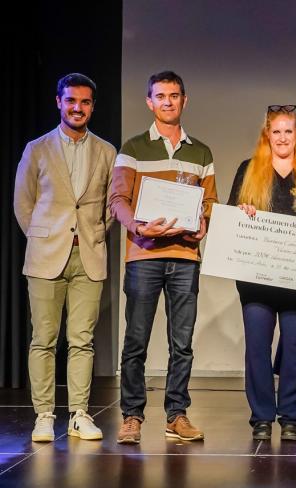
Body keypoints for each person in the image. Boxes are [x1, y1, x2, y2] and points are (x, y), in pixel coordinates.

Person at [109, 71, 217, 444]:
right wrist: (139, 228)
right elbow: (117, 201)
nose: (168, 102)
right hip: (144, 255)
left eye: (174, 95)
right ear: (149, 102)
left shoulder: (201, 151)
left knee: (181, 342)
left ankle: (177, 414)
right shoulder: (134, 148)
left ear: (184, 101)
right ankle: (132, 416)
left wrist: (202, 224)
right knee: (136, 339)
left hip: (186, 257)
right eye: (160, 96)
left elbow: (210, 204)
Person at [228, 104, 296, 441]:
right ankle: (261, 417)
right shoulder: (249, 170)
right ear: (268, 135)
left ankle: (291, 416)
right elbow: (233, 216)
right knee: (258, 347)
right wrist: (242, 210)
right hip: (256, 279)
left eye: (288, 131)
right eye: (276, 131)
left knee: (295, 348)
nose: (282, 137)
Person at [14, 73, 116, 442]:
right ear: (58, 102)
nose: (78, 107)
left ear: (92, 106)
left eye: (85, 102)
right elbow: (23, 203)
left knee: (82, 339)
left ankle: (78, 414)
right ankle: (43, 415)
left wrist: (91, 236)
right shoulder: (37, 148)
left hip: (88, 255)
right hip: (45, 256)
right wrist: (44, 238)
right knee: (43, 338)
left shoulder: (106, 151)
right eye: (71, 100)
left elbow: (109, 206)